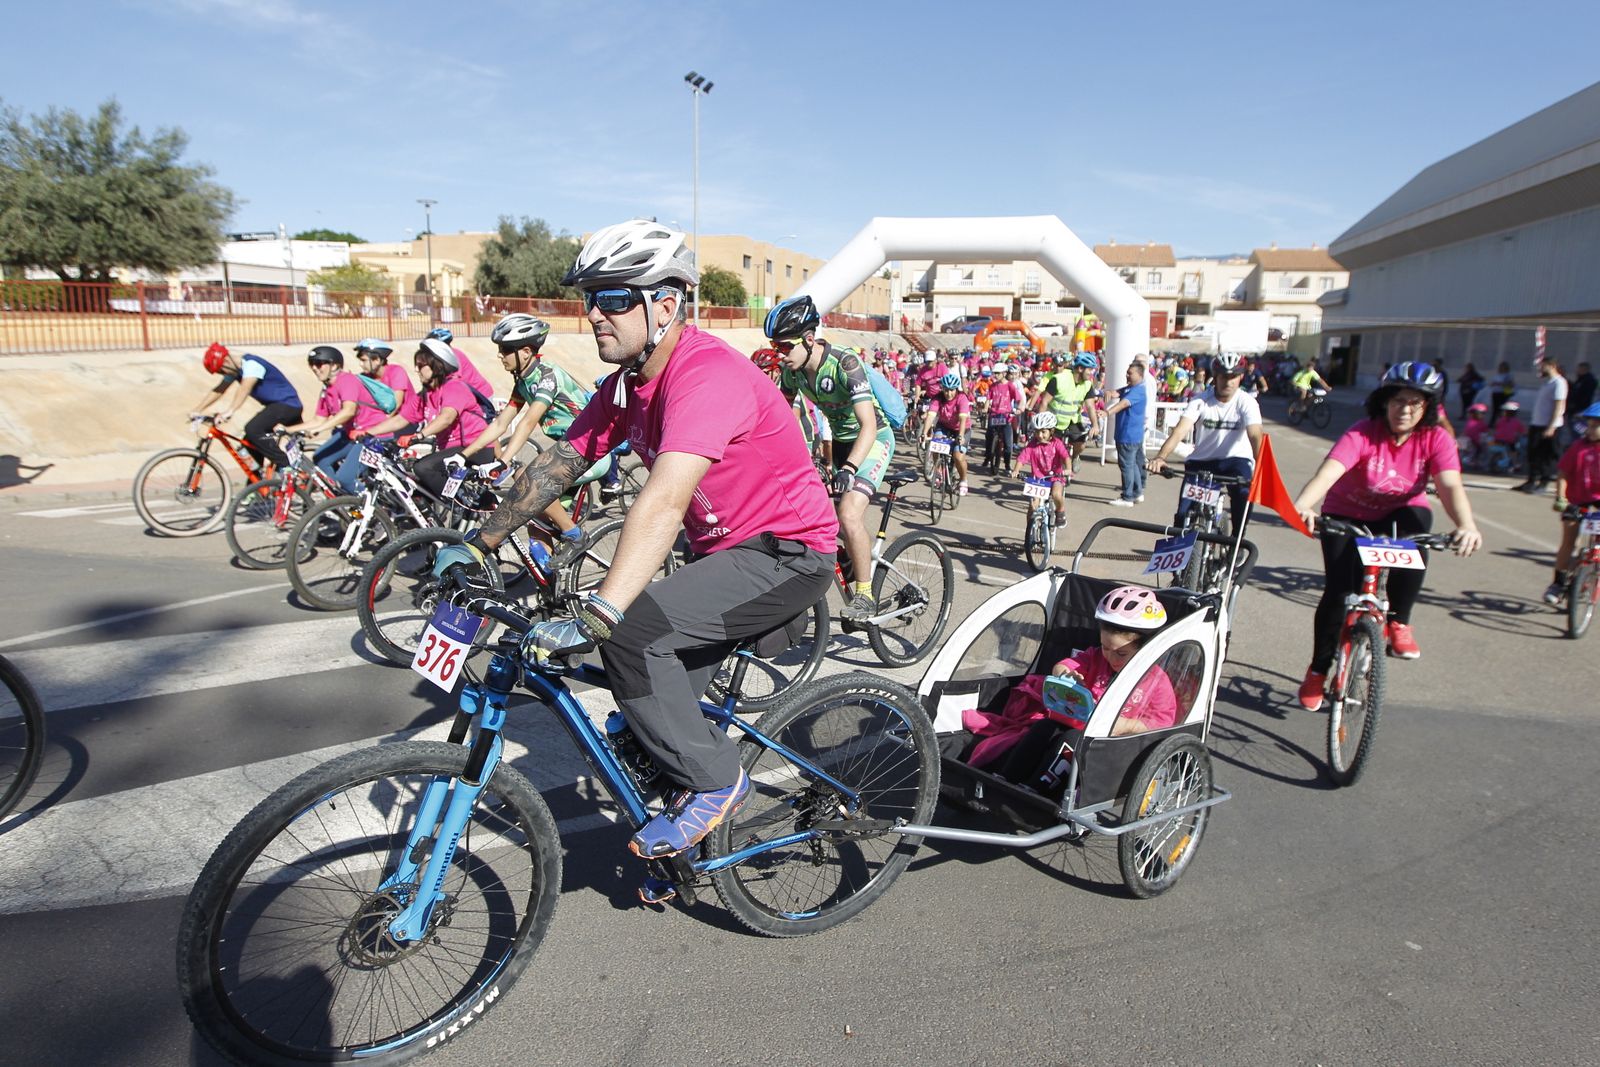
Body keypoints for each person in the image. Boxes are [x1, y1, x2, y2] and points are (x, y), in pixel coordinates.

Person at [432, 219, 836, 879]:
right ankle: (685, 838)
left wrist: (603, 610)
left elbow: (664, 500)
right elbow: (564, 457)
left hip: (787, 552)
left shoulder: (702, 374)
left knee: (631, 638)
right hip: (725, 553)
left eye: (614, 297)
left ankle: (716, 783)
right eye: (591, 297)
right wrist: (483, 540)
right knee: (646, 707)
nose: (594, 313)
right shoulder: (626, 382)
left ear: (666, 305)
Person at [1291, 362, 1482, 708]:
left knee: (1419, 533)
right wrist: (1303, 506)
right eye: (1397, 401)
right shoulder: (1362, 433)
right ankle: (1318, 670)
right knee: (1338, 592)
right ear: (1383, 402)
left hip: (1400, 512)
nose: (1404, 410)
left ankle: (1399, 622)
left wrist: (1466, 525)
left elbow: (1450, 485)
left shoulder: (1436, 438)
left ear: (1428, 407)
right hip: (1347, 512)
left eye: (1414, 402)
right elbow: (1329, 472)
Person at [961, 586, 1178, 782]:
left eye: (1121, 653)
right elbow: (1066, 664)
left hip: (1108, 746)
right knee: (1042, 728)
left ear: (1145, 650)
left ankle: (1037, 789)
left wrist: (1128, 725)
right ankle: (1005, 778)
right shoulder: (1095, 658)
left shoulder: (1157, 682)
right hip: (1073, 724)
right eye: (1105, 647)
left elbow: (1161, 723)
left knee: (1071, 740)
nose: (1111, 658)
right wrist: (1066, 674)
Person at [765, 295, 894, 621]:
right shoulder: (792, 371)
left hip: (872, 439)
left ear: (809, 339)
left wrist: (850, 467)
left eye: (784, 346)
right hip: (839, 443)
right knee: (811, 512)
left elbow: (867, 424)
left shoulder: (844, 363)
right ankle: (851, 554)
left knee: (849, 514)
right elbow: (782, 421)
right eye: (774, 347)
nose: (780, 354)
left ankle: (865, 596)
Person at [460, 313, 598, 561]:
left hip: (591, 451)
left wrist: (504, 460)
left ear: (525, 351)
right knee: (535, 529)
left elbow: (528, 422)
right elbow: (501, 423)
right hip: (565, 452)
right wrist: (462, 456)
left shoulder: (547, 375)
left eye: (504, 349)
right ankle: (553, 593)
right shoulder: (523, 381)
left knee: (526, 476)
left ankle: (575, 535)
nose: (500, 355)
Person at [361, 338, 493, 499]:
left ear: (437, 366)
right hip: (450, 451)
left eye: (421, 366)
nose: (417, 370)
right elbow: (400, 420)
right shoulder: (425, 395)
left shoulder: (454, 387)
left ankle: (461, 503)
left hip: (474, 448)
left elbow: (446, 417)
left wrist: (419, 435)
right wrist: (368, 432)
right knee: (417, 494)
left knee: (423, 467)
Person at [1146, 352, 1263, 533]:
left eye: (1233, 377)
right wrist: (1161, 457)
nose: (1228, 382)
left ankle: (1237, 538)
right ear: (1215, 377)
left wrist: (1262, 466)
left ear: (1240, 377)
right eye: (1224, 376)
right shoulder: (1200, 400)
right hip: (1203, 461)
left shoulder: (1247, 402)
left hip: (1236, 461)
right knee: (1183, 514)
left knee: (1243, 495)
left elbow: (1255, 435)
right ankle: (1181, 550)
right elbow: (1179, 431)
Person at [274, 346, 393, 492]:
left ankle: (370, 508)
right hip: (353, 435)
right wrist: (287, 429)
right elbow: (318, 419)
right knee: (320, 458)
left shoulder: (347, 381)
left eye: (319, 364)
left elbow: (348, 411)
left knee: (345, 478)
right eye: (312, 364)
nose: (315, 368)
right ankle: (338, 500)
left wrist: (319, 430)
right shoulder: (327, 389)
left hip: (373, 435)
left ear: (334, 365)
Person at [190, 342, 303, 471]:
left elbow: (245, 388)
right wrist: (197, 409)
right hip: (275, 406)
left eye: (221, 370)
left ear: (226, 361)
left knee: (253, 429)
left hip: (288, 405)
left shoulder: (251, 364)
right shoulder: (235, 370)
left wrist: (230, 411)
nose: (223, 374)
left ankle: (286, 466)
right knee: (248, 443)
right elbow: (219, 390)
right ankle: (261, 484)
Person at [1544, 402, 1600, 604]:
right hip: (1578, 499)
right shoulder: (1579, 447)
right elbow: (1563, 474)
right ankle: (1558, 584)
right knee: (1569, 539)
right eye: (1591, 425)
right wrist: (1561, 498)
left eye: (1597, 425)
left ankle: (1592, 572)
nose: (1592, 429)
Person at [1035, 353, 1098, 471]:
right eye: (1089, 370)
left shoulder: (1088, 384)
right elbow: (1044, 402)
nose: (1091, 373)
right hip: (1054, 420)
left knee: (1081, 444)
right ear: (1080, 369)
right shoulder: (1058, 379)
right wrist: (1040, 424)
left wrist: (1095, 425)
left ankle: (1074, 456)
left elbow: (1090, 406)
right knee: (1049, 448)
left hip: (1073, 420)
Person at [1518, 357, 1568, 493]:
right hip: (1537, 423)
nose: (1540, 369)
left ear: (1551, 366)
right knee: (1533, 453)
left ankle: (1544, 483)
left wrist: (1551, 427)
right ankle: (1531, 481)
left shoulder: (1559, 383)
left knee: (1546, 456)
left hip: (1549, 426)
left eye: (1543, 366)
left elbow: (1559, 406)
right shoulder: (1547, 383)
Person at [1103, 359, 1149, 506]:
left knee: (1127, 466)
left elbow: (1123, 404)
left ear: (1139, 375)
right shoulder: (1131, 388)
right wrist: (1110, 393)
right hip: (1129, 434)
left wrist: (1107, 413)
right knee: (1133, 464)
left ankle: (1127, 496)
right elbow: (1119, 392)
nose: (1127, 376)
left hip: (1128, 435)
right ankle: (1137, 492)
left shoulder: (1138, 390)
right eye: (1127, 373)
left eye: (1130, 373)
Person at [1016, 411, 1070, 531]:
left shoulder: (1057, 444)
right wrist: (1016, 470)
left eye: (1043, 431)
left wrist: (1068, 469)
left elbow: (1066, 457)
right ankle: (1029, 531)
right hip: (1038, 479)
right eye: (1037, 432)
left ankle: (1060, 511)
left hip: (1056, 477)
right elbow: (1022, 458)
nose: (1040, 435)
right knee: (1033, 505)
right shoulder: (1032, 445)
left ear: (1051, 431)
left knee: (1056, 494)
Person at [923, 370, 973, 495]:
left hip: (961, 428)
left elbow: (962, 419)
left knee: (958, 456)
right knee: (935, 444)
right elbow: (930, 416)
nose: (949, 393)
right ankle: (938, 471)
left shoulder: (962, 398)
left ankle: (963, 480)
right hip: (944, 426)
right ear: (942, 389)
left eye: (952, 390)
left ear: (956, 389)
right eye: (946, 390)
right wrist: (924, 433)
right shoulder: (938, 398)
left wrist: (960, 436)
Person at [354, 338, 417, 424]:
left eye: (364, 360)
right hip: (384, 422)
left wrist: (379, 425)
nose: (360, 364)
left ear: (377, 360)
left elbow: (396, 403)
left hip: (404, 422)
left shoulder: (396, 371)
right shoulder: (366, 378)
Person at [984, 362, 1025, 475]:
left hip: (1006, 416)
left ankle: (1007, 465)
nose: (995, 375)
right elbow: (988, 398)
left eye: (998, 373)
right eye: (994, 373)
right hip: (994, 415)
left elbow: (1019, 398)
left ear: (1004, 373)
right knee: (988, 436)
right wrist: (985, 408)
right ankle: (988, 457)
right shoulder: (992, 386)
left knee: (1008, 445)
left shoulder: (1010, 385)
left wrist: (1020, 408)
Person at [1487, 361, 1517, 427]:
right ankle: (1493, 422)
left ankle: (1501, 423)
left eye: (1503, 367)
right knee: (1495, 409)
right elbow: (1491, 383)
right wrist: (1493, 384)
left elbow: (1511, 385)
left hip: (1503, 393)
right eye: (1501, 367)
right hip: (1495, 392)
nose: (1502, 368)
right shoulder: (1497, 375)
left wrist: (1501, 384)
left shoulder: (1508, 375)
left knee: (1501, 409)